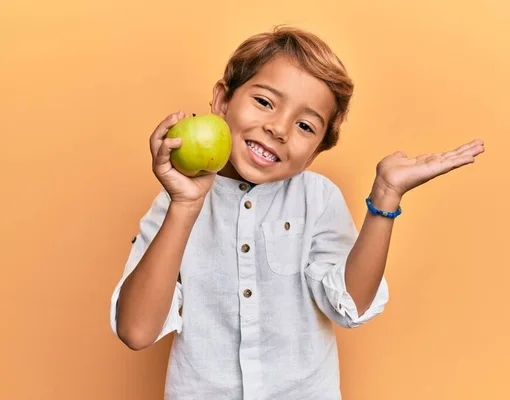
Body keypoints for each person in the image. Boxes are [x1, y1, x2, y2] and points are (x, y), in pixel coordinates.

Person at [109, 25, 485, 400]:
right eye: (265, 102)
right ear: (223, 100)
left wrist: (385, 196)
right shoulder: (174, 204)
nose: (279, 128)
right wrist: (185, 206)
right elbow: (136, 331)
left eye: (305, 125)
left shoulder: (318, 199)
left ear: (315, 153)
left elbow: (350, 305)